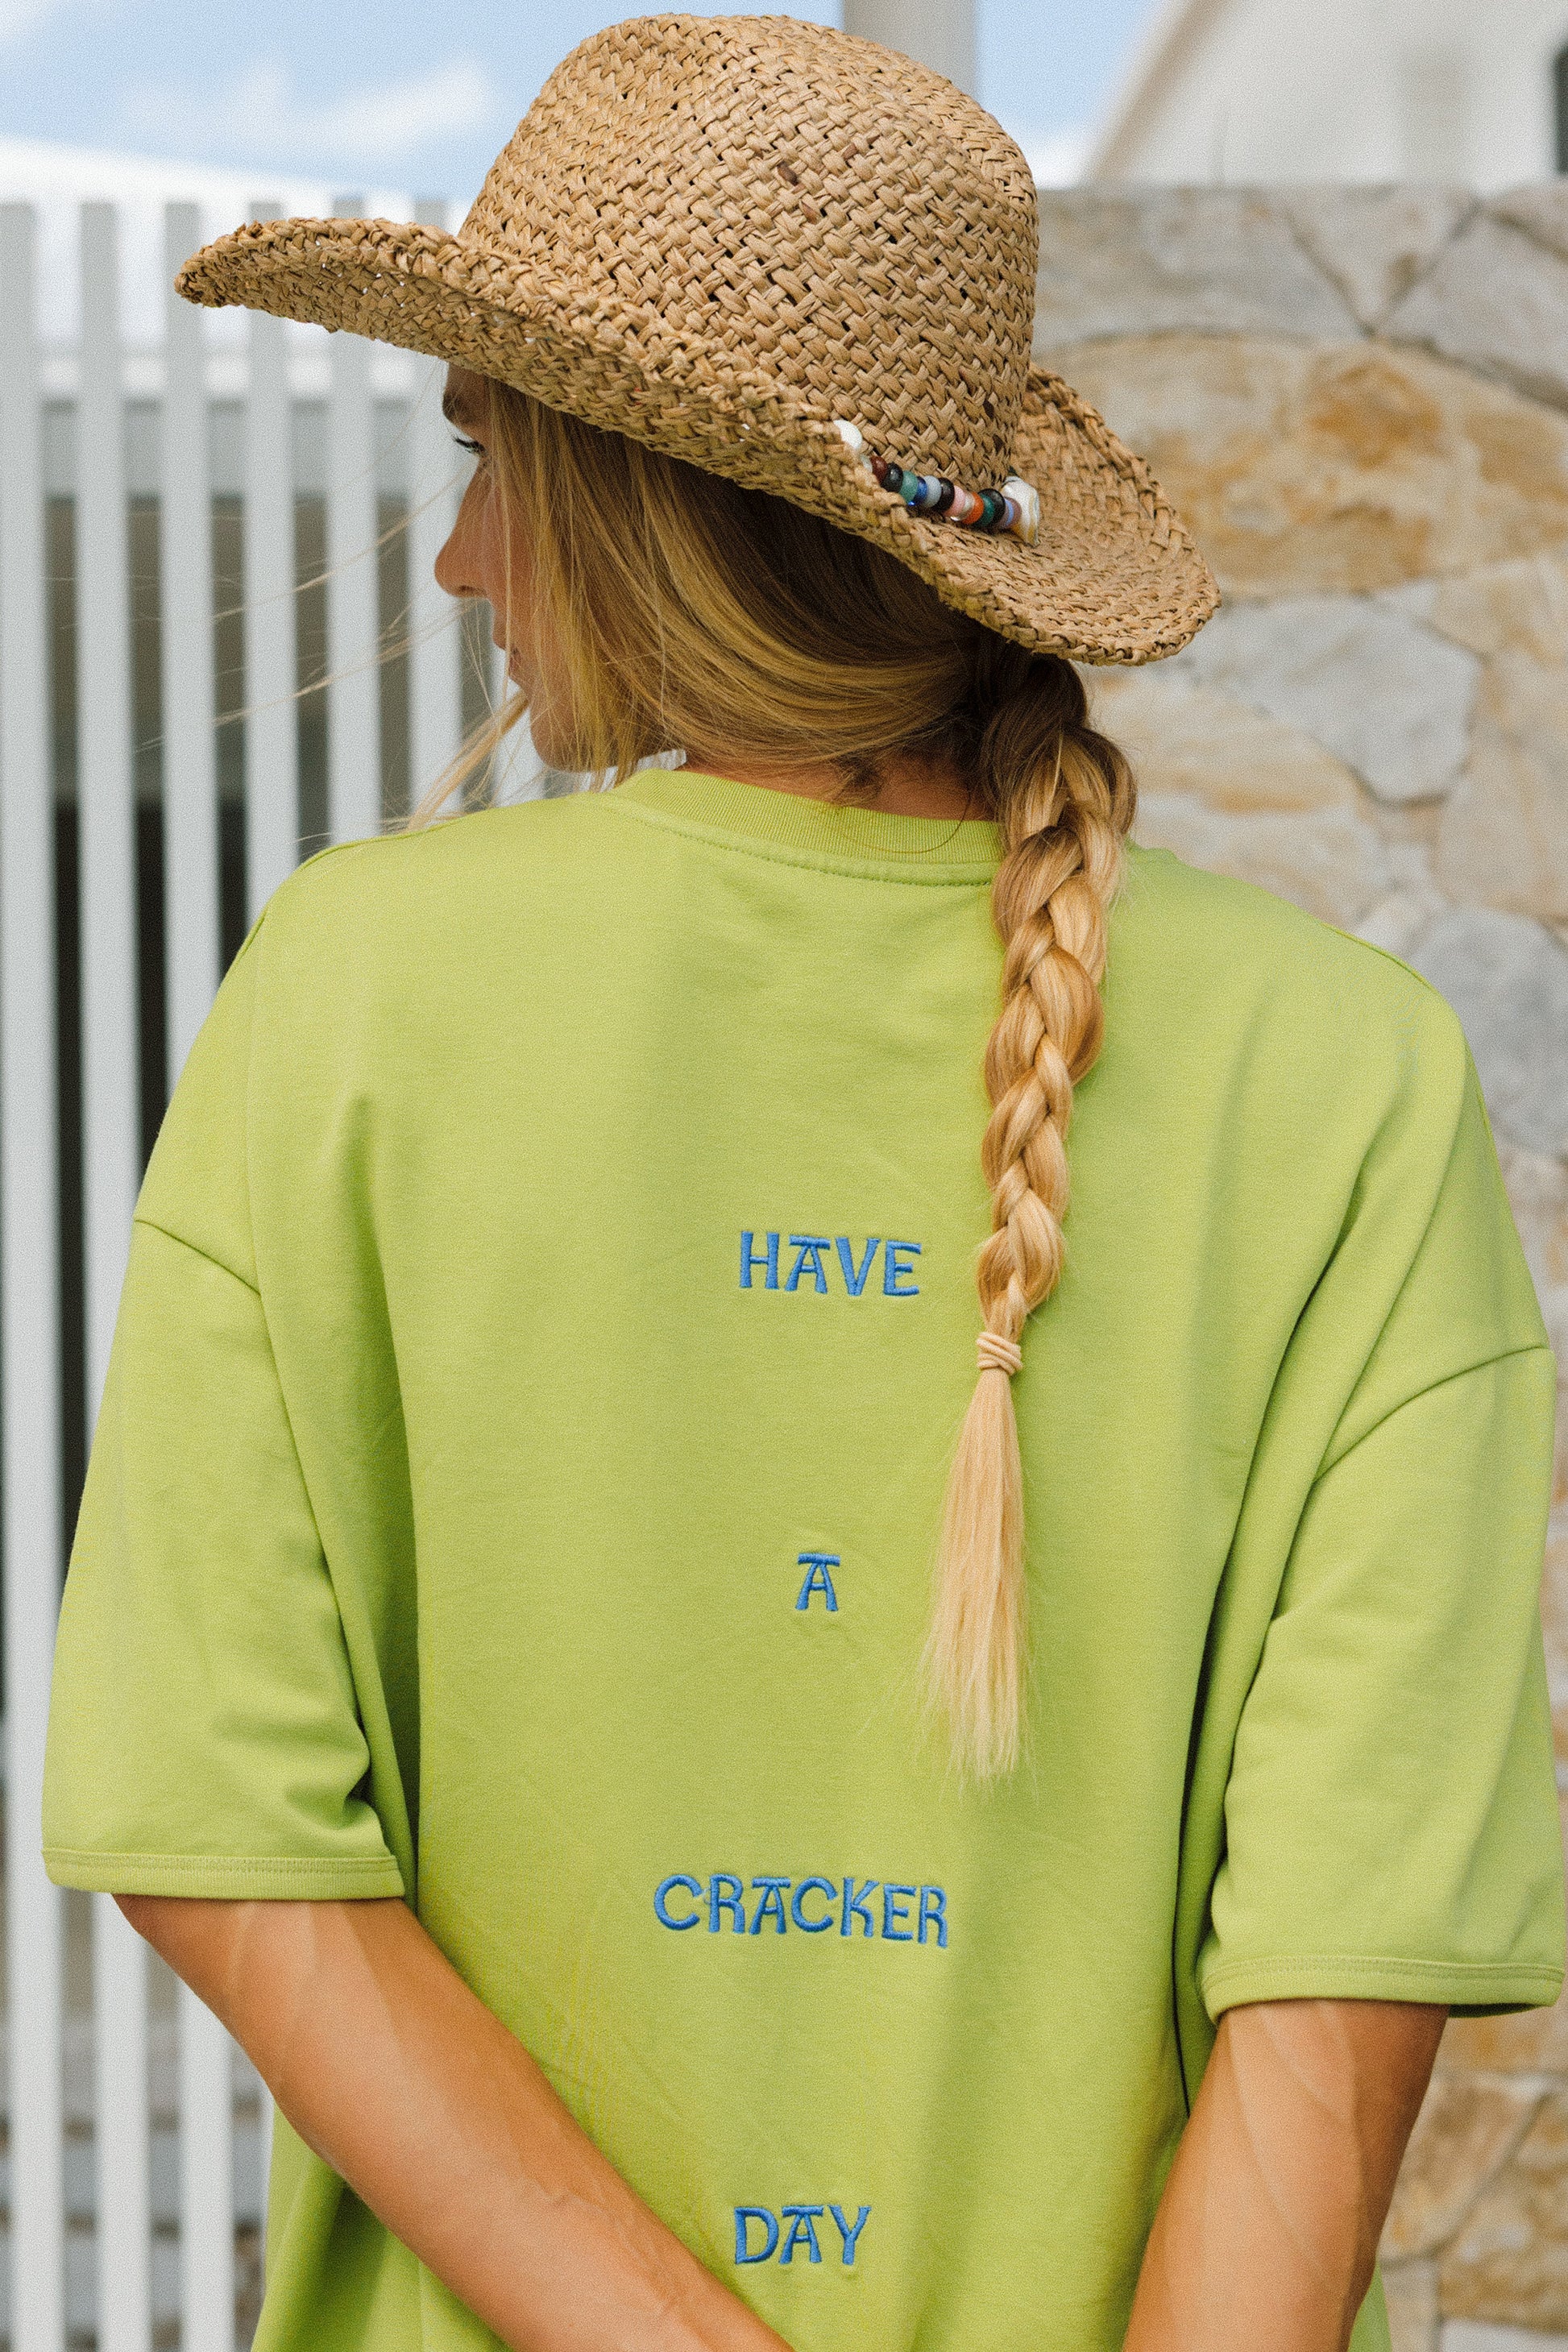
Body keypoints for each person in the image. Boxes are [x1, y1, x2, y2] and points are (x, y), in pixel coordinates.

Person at [42, 17, 1563, 2352]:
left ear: (640, 495)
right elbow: (1337, 1982)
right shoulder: (1349, 1075)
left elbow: (219, 1842)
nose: (458, 557)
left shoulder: (357, 995)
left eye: (484, 459)